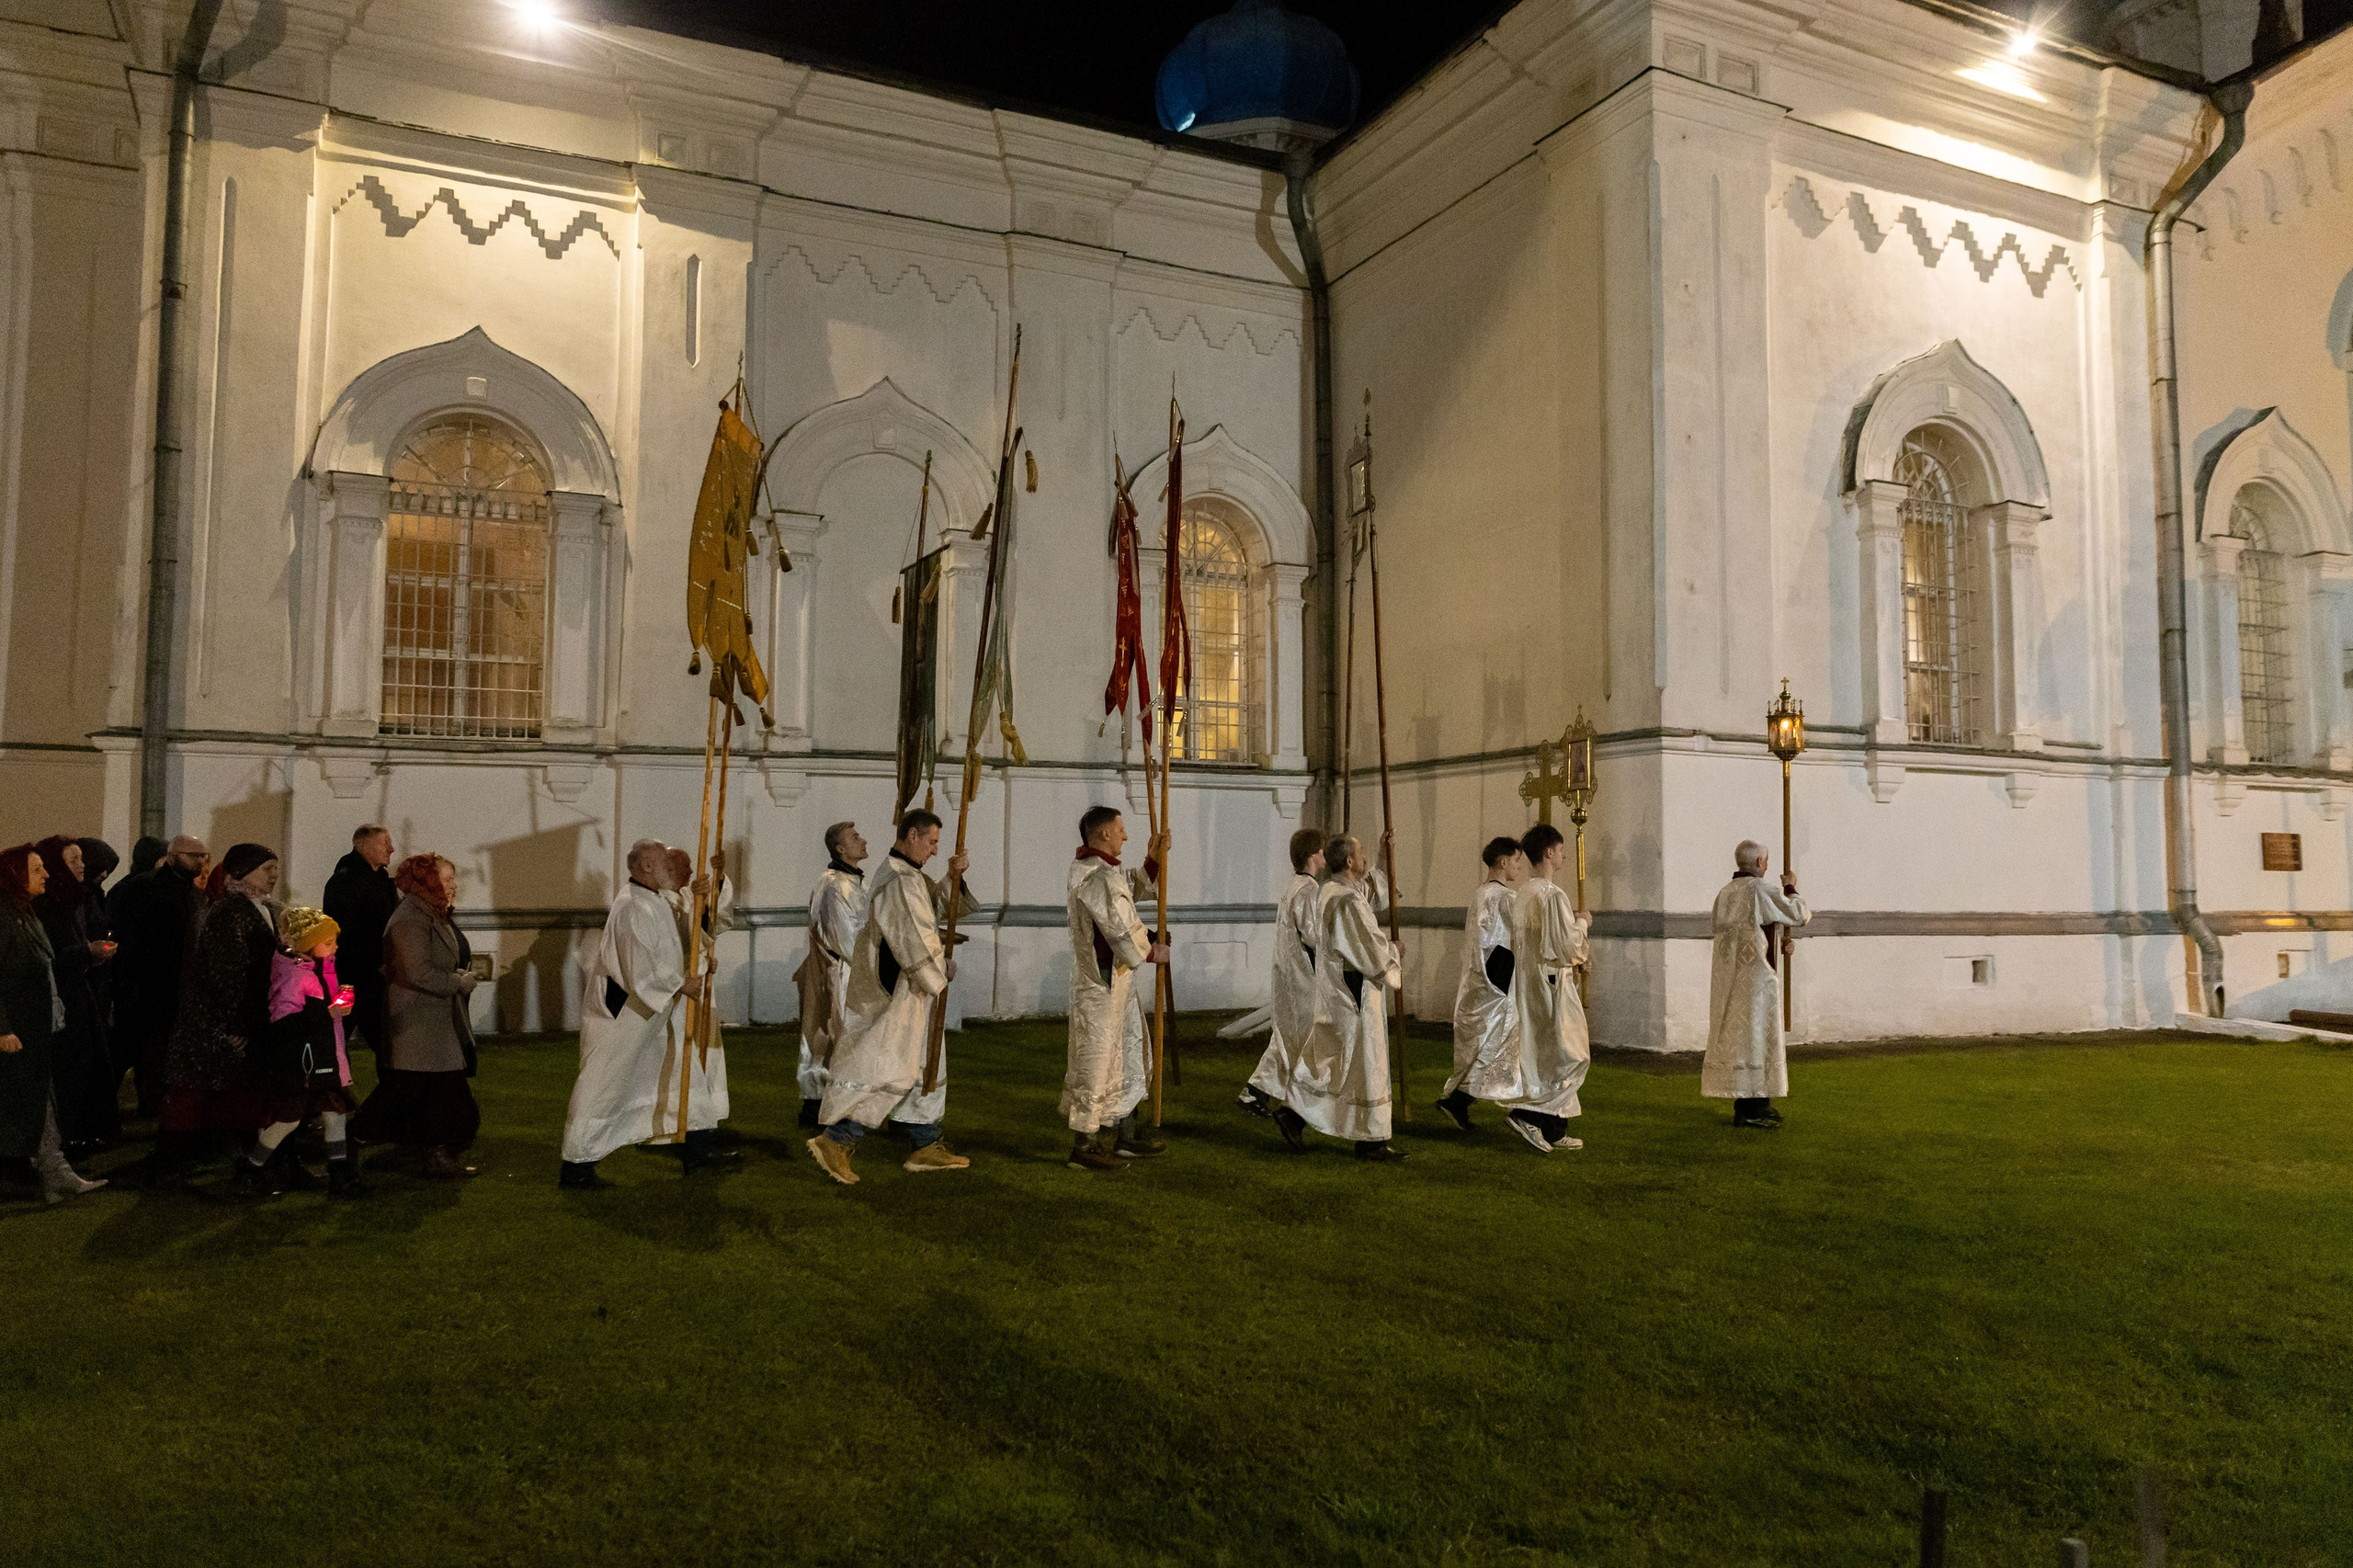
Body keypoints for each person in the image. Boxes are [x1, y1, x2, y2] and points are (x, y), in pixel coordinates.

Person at [806, 810, 972, 1185]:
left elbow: (932, 908)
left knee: (925, 1065)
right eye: (931, 842)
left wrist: (953, 876)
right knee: (885, 1066)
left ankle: (925, 1143)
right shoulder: (898, 879)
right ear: (912, 835)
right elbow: (910, 933)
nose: (933, 850)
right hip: (897, 991)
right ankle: (836, 1140)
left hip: (910, 989)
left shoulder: (908, 875)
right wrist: (937, 969)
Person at [558, 840, 715, 1187]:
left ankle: (698, 1148)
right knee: (605, 1085)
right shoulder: (631, 907)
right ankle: (578, 1164)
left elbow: (681, 936)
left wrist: (700, 905)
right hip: (627, 1013)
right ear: (645, 866)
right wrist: (679, 985)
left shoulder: (654, 901)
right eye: (664, 864)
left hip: (655, 1011)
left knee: (680, 1072)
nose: (670, 870)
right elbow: (639, 967)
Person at [151, 843, 281, 1185]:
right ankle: (168, 1165)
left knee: (237, 1092)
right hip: (214, 1023)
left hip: (236, 1020)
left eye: (275, 868)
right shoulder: (230, 914)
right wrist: (236, 1024)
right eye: (267, 868)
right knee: (194, 1094)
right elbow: (229, 973)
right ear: (243, 873)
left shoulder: (259, 909)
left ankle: (246, 1160)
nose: (274, 875)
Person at [1273, 832, 1407, 1163]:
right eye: (1360, 853)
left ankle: (1298, 1115)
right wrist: (1393, 952)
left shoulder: (1332, 891)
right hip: (1356, 991)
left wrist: (1382, 855)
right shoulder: (1344, 900)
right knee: (1362, 1062)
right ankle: (1371, 1139)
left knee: (1339, 1062)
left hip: (1340, 989)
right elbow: (1366, 948)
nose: (1362, 858)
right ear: (1349, 861)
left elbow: (1370, 892)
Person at [351, 853, 481, 1176]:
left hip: (430, 1020)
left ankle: (411, 1146)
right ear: (427, 882)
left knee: (423, 1088)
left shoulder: (429, 913)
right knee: (423, 1088)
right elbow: (416, 972)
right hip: (417, 1019)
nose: (453, 886)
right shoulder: (411, 917)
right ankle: (358, 1139)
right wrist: (459, 983)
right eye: (446, 879)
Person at [1062, 805, 1171, 1172]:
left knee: (1128, 1053)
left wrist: (1152, 861)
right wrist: (1153, 949)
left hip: (1116, 982)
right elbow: (1120, 930)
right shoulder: (1096, 878)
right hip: (1102, 985)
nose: (1125, 835)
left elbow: (1128, 888)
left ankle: (1126, 1133)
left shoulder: (1097, 871)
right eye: (1120, 830)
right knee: (1096, 1061)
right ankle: (1085, 1144)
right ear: (1103, 833)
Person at [233, 906, 367, 1198]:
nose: (335, 947)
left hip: (322, 1059)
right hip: (301, 1063)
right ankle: (252, 1166)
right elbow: (282, 1024)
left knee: (335, 1110)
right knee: (289, 1119)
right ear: (307, 944)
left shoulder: (321, 970)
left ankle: (340, 1173)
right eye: (328, 942)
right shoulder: (294, 977)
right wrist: (327, 1013)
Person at [0, 845, 106, 1203]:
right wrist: (2, 1028)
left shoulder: (24, 913)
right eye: (36, 869)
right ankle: (48, 1173)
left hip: (33, 1025)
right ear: (14, 875)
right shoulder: (4, 915)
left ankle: (54, 1173)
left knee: (40, 1101)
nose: (45, 874)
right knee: (25, 1103)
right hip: (17, 1028)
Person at [1488, 824, 1593, 1153]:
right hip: (1550, 985)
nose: (1563, 856)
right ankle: (1526, 1114)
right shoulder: (1550, 895)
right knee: (1572, 1055)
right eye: (1561, 850)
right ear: (1549, 852)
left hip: (1530, 982)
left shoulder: (1525, 893)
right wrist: (1583, 924)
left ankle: (1553, 1127)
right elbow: (1565, 945)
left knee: (1547, 1057)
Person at [1703, 839, 1811, 1129]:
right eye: (1766, 860)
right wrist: (1790, 886)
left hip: (1729, 979)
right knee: (1757, 1040)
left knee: (1745, 1042)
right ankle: (1749, 1109)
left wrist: (1779, 941)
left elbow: (1751, 930)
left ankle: (1758, 1103)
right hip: (1757, 981)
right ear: (1760, 863)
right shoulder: (1760, 889)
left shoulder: (1725, 894)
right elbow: (1799, 914)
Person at [108, 834, 208, 1117]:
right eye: (193, 856)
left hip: (178, 989)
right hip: (148, 987)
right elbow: (129, 938)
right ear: (172, 856)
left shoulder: (193, 893)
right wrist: (128, 983)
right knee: (143, 1051)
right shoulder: (145, 888)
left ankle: (158, 1108)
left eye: (203, 857)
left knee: (162, 1054)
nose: (200, 862)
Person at [32, 835, 118, 1153]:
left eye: (82, 859)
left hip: (79, 990)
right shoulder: (44, 904)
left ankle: (83, 1131)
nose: (82, 865)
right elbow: (48, 954)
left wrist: (96, 952)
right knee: (69, 1067)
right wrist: (86, 951)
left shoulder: (78, 897)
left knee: (90, 1061)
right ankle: (64, 1138)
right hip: (58, 996)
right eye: (73, 860)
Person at [1438, 835, 1526, 1131]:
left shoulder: (1481, 894)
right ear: (1502, 861)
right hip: (1496, 979)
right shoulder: (1502, 897)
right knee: (1495, 1044)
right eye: (1516, 860)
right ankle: (1523, 1109)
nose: (1518, 867)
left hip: (1485, 976)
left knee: (1488, 1045)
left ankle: (1460, 1102)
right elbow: (1529, 924)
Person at [1242, 827, 1326, 1119]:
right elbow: (1314, 935)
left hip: (1291, 973)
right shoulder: (1307, 890)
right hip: (1302, 976)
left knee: (1289, 1037)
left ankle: (1258, 1093)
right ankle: (1291, 1102)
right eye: (1323, 849)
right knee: (1302, 1038)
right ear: (1315, 854)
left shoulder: (1296, 886)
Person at [794, 821, 868, 1130]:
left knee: (829, 1041)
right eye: (854, 837)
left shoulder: (849, 882)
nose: (862, 840)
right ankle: (830, 1111)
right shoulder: (834, 886)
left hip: (847, 971)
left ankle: (827, 1107)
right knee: (835, 1040)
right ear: (840, 849)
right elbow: (845, 936)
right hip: (841, 974)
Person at [323, 824, 398, 1062]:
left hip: (373, 976)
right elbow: (347, 931)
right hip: (352, 978)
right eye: (384, 844)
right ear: (363, 845)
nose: (392, 849)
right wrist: (376, 962)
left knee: (382, 1040)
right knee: (339, 1033)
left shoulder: (380, 880)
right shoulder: (344, 882)